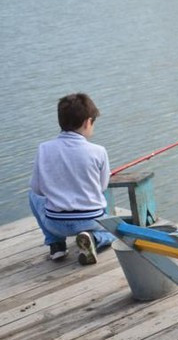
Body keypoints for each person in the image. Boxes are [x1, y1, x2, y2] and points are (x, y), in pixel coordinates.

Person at [29, 93, 115, 265]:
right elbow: (102, 186)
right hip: (91, 220)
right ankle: (95, 239)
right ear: (87, 122)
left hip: (56, 223)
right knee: (115, 232)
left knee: (32, 195)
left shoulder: (43, 149)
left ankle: (56, 244)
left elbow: (38, 189)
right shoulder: (99, 151)